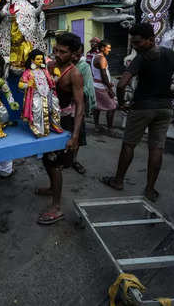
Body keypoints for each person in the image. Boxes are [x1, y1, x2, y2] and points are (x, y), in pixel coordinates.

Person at [101, 23, 174, 202]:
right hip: (164, 108)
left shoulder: (141, 58)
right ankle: (150, 190)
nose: (135, 46)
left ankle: (118, 181)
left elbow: (121, 84)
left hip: (142, 107)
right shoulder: (169, 54)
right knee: (156, 148)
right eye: (133, 43)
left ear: (151, 39)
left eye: (138, 43)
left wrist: (121, 103)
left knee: (129, 144)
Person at [35, 32, 84, 224]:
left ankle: (56, 207)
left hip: (65, 123)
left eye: (62, 52)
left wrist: (75, 136)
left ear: (73, 54)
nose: (57, 54)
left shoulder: (75, 74)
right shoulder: (50, 66)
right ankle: (51, 188)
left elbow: (81, 106)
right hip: (49, 120)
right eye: (55, 50)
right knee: (47, 160)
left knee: (55, 164)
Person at [70, 45, 95, 174]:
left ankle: (73, 160)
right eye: (73, 54)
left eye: (78, 55)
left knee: (77, 135)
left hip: (77, 108)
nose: (74, 57)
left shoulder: (83, 67)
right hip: (62, 108)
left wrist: (72, 89)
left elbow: (88, 88)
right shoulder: (59, 65)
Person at [92, 40, 117, 132]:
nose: (109, 50)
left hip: (97, 85)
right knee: (112, 107)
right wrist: (110, 88)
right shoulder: (101, 58)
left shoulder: (96, 56)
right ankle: (110, 129)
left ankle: (96, 126)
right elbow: (104, 75)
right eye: (108, 48)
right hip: (102, 87)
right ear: (102, 48)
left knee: (97, 107)